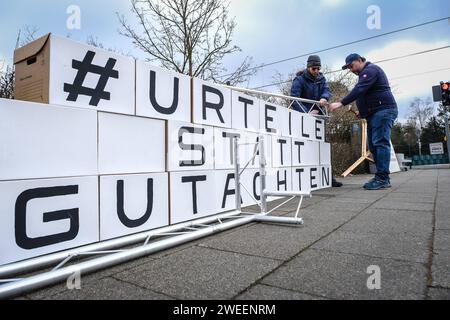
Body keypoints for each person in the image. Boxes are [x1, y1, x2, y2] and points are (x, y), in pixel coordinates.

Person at [329, 53, 398, 190]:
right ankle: (381, 176)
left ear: (360, 60)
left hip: (383, 111)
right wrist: (363, 112)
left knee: (380, 143)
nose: (351, 70)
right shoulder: (365, 74)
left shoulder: (370, 70)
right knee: (373, 146)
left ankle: (383, 178)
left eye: (352, 66)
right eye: (349, 67)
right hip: (374, 113)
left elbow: (360, 89)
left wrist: (341, 103)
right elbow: (368, 94)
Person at [291, 55, 343, 187]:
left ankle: (329, 178)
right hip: (303, 119)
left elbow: (327, 90)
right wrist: (307, 113)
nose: (316, 71)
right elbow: (294, 99)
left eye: (318, 68)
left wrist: (325, 98)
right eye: (314, 68)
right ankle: (302, 179)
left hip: (318, 118)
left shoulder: (322, 78)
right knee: (304, 148)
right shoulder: (299, 80)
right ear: (309, 67)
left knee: (323, 147)